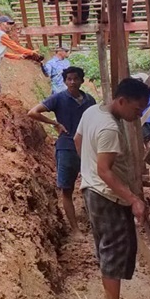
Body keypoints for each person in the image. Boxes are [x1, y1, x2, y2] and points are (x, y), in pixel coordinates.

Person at [75, 77, 150, 299]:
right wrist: (134, 200)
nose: (139, 114)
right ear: (121, 101)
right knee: (114, 248)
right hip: (107, 196)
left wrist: (87, 168)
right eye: (137, 109)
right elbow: (105, 171)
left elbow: (78, 140)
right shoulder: (109, 127)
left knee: (109, 245)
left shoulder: (91, 111)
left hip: (93, 190)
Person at [27, 66, 96, 233]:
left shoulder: (90, 101)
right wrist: (54, 123)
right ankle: (75, 229)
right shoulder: (58, 98)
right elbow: (33, 112)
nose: (72, 82)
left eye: (75, 78)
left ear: (81, 80)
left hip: (87, 148)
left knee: (93, 186)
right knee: (67, 189)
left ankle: (93, 223)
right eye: (69, 79)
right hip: (66, 148)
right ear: (65, 81)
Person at [0, 16, 41, 94]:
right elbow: (15, 47)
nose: (10, 26)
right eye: (8, 23)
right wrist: (31, 52)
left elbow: (4, 53)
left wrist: (19, 56)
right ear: (0, 24)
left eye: (11, 24)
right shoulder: (1, 34)